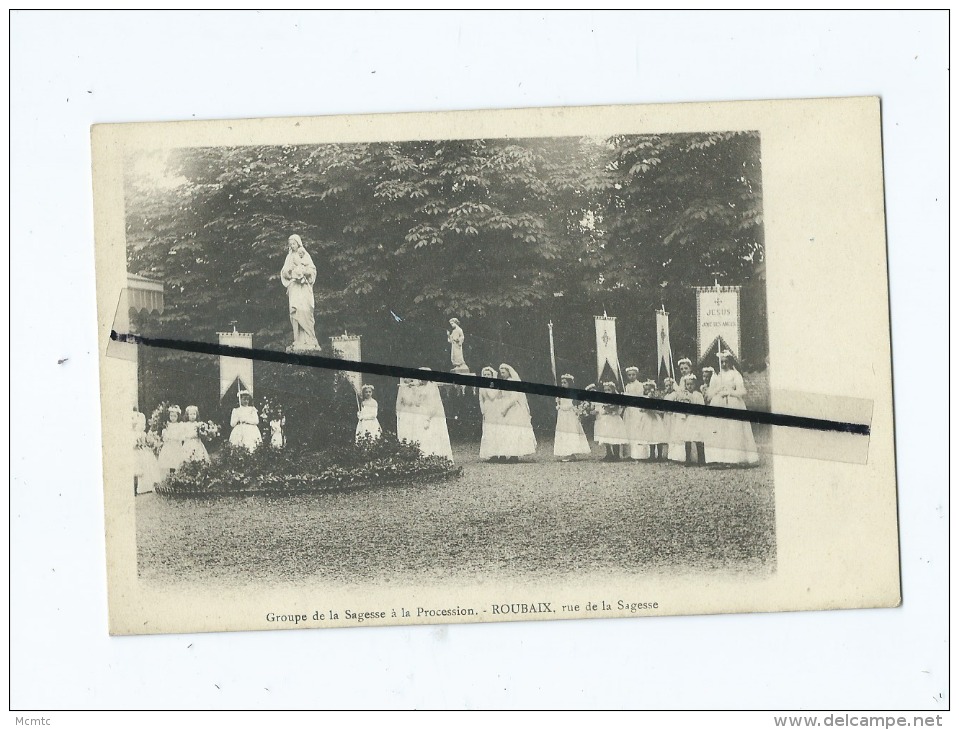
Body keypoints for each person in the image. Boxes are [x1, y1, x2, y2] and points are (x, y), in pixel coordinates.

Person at [704, 351, 760, 467]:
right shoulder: (716, 375)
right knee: (719, 430)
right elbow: (709, 394)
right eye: (721, 362)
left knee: (733, 430)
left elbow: (742, 391)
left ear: (730, 362)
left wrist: (730, 392)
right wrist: (718, 389)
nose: (724, 364)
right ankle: (718, 458)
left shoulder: (735, 374)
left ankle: (734, 458)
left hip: (733, 403)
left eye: (726, 362)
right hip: (718, 404)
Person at [280, 234, 320, 350]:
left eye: (294, 243)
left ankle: (310, 339)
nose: (292, 246)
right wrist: (289, 272)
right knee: (295, 311)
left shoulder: (304, 255)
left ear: (298, 243)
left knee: (306, 311)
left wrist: (305, 272)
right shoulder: (289, 257)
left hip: (304, 288)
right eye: (290, 244)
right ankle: (297, 340)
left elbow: (312, 270)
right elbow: (284, 272)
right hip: (294, 287)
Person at [494, 363, 537, 463]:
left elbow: (514, 398)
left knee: (513, 431)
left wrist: (505, 409)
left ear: (509, 372)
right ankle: (503, 454)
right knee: (503, 431)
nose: (502, 374)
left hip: (513, 409)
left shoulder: (513, 382)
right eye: (501, 373)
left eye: (504, 372)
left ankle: (514, 454)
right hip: (504, 407)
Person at [416, 369, 454, 461]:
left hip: (432, 415)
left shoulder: (432, 387)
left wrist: (427, 418)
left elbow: (434, 405)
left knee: (433, 435)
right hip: (421, 413)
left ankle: (436, 457)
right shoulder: (419, 387)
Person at [553, 373, 590, 462]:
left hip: (569, 416)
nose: (563, 384)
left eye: (565, 382)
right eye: (562, 382)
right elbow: (559, 403)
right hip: (562, 416)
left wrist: (561, 406)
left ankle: (571, 453)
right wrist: (558, 402)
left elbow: (569, 405)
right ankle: (567, 452)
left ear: (569, 383)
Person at [670, 375, 706, 466]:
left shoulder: (698, 395)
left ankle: (701, 460)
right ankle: (688, 459)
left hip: (696, 418)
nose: (689, 386)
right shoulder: (683, 394)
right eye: (688, 384)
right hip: (688, 419)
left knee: (698, 438)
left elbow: (701, 406)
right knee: (687, 439)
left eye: (692, 384)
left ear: (695, 385)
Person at [593, 381, 627, 461]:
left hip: (614, 419)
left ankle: (616, 455)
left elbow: (619, 409)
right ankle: (609, 454)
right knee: (606, 436)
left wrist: (613, 410)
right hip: (606, 420)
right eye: (605, 390)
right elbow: (601, 408)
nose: (607, 392)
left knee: (615, 436)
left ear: (613, 390)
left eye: (609, 390)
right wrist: (604, 411)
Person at [478, 366, 505, 462]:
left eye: (488, 374)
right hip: (488, 408)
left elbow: (492, 396)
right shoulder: (481, 386)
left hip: (496, 407)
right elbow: (481, 399)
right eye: (485, 375)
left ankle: (502, 454)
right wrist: (483, 410)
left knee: (499, 430)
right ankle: (492, 454)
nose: (486, 376)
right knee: (489, 430)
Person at [622, 366, 649, 461]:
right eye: (629, 375)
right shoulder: (627, 386)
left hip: (636, 410)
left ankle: (639, 454)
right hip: (629, 410)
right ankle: (629, 453)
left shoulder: (639, 385)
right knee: (629, 430)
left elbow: (639, 397)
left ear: (636, 375)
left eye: (633, 374)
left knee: (637, 430)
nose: (631, 376)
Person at [132, 406, 160, 495]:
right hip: (133, 450)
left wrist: (144, 444)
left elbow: (144, 441)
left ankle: (145, 486)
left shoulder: (141, 431)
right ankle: (134, 487)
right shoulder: (131, 432)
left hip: (141, 449)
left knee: (147, 462)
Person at [157, 405, 186, 474]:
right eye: (171, 416)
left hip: (176, 446)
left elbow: (182, 436)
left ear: (178, 416)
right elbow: (165, 437)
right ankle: (170, 476)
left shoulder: (179, 425)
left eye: (174, 416)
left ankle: (175, 476)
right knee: (169, 462)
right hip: (169, 446)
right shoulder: (168, 425)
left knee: (176, 462)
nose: (172, 418)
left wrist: (176, 438)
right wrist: (165, 434)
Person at [395, 377, 422, 446]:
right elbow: (399, 402)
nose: (406, 379)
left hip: (413, 411)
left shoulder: (416, 388)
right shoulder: (402, 388)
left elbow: (418, 402)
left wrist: (414, 390)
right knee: (405, 428)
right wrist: (398, 413)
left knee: (414, 429)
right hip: (405, 411)